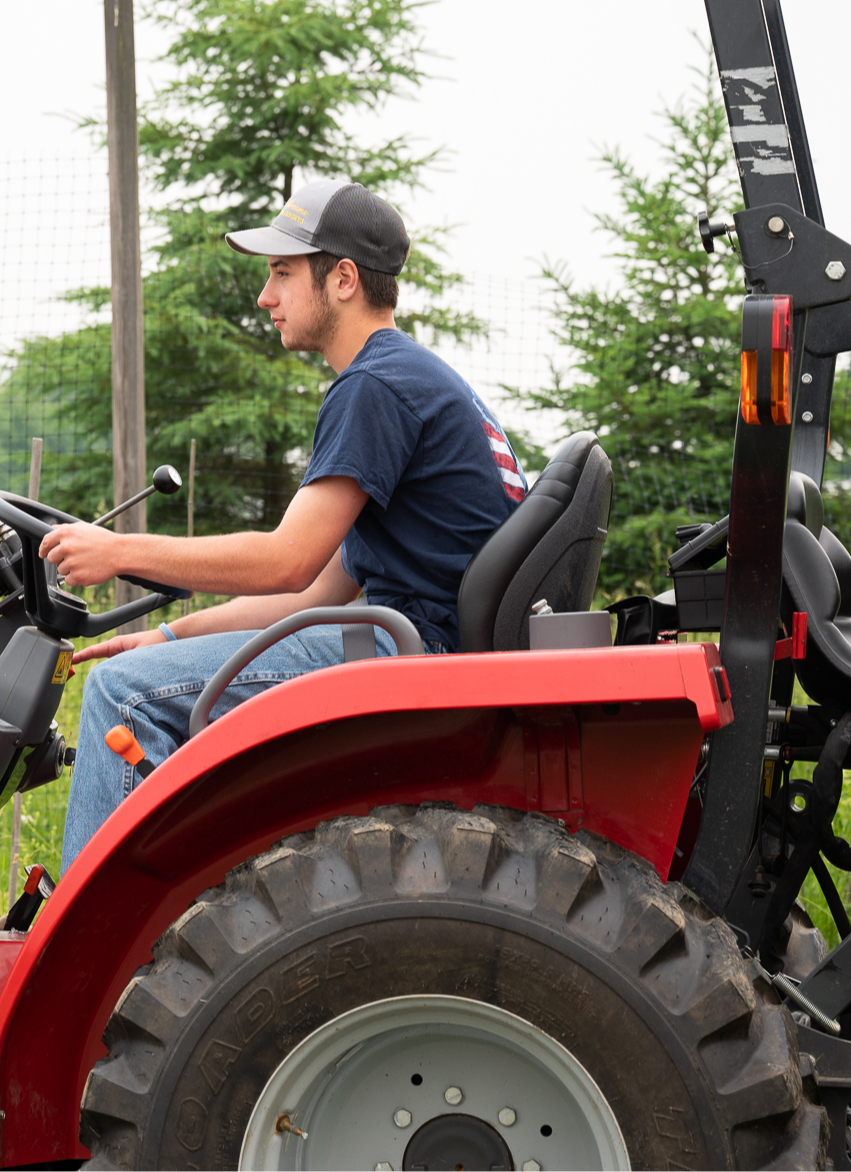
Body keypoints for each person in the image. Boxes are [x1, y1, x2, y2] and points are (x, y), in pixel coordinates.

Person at [44, 179, 526, 869]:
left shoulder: (375, 387)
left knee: (123, 697)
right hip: (415, 642)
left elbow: (285, 560)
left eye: (281, 274)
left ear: (344, 280)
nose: (264, 297)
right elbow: (313, 592)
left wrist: (120, 550)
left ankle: (85, 959)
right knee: (140, 672)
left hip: (409, 652)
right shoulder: (409, 375)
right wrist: (166, 634)